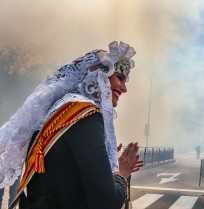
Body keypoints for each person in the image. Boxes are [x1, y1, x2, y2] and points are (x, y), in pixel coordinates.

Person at [0, 41, 143, 209]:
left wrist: (104, 167)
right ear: (98, 74)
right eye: (120, 78)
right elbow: (106, 202)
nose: (124, 88)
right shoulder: (86, 115)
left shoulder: (58, 111)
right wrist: (121, 174)